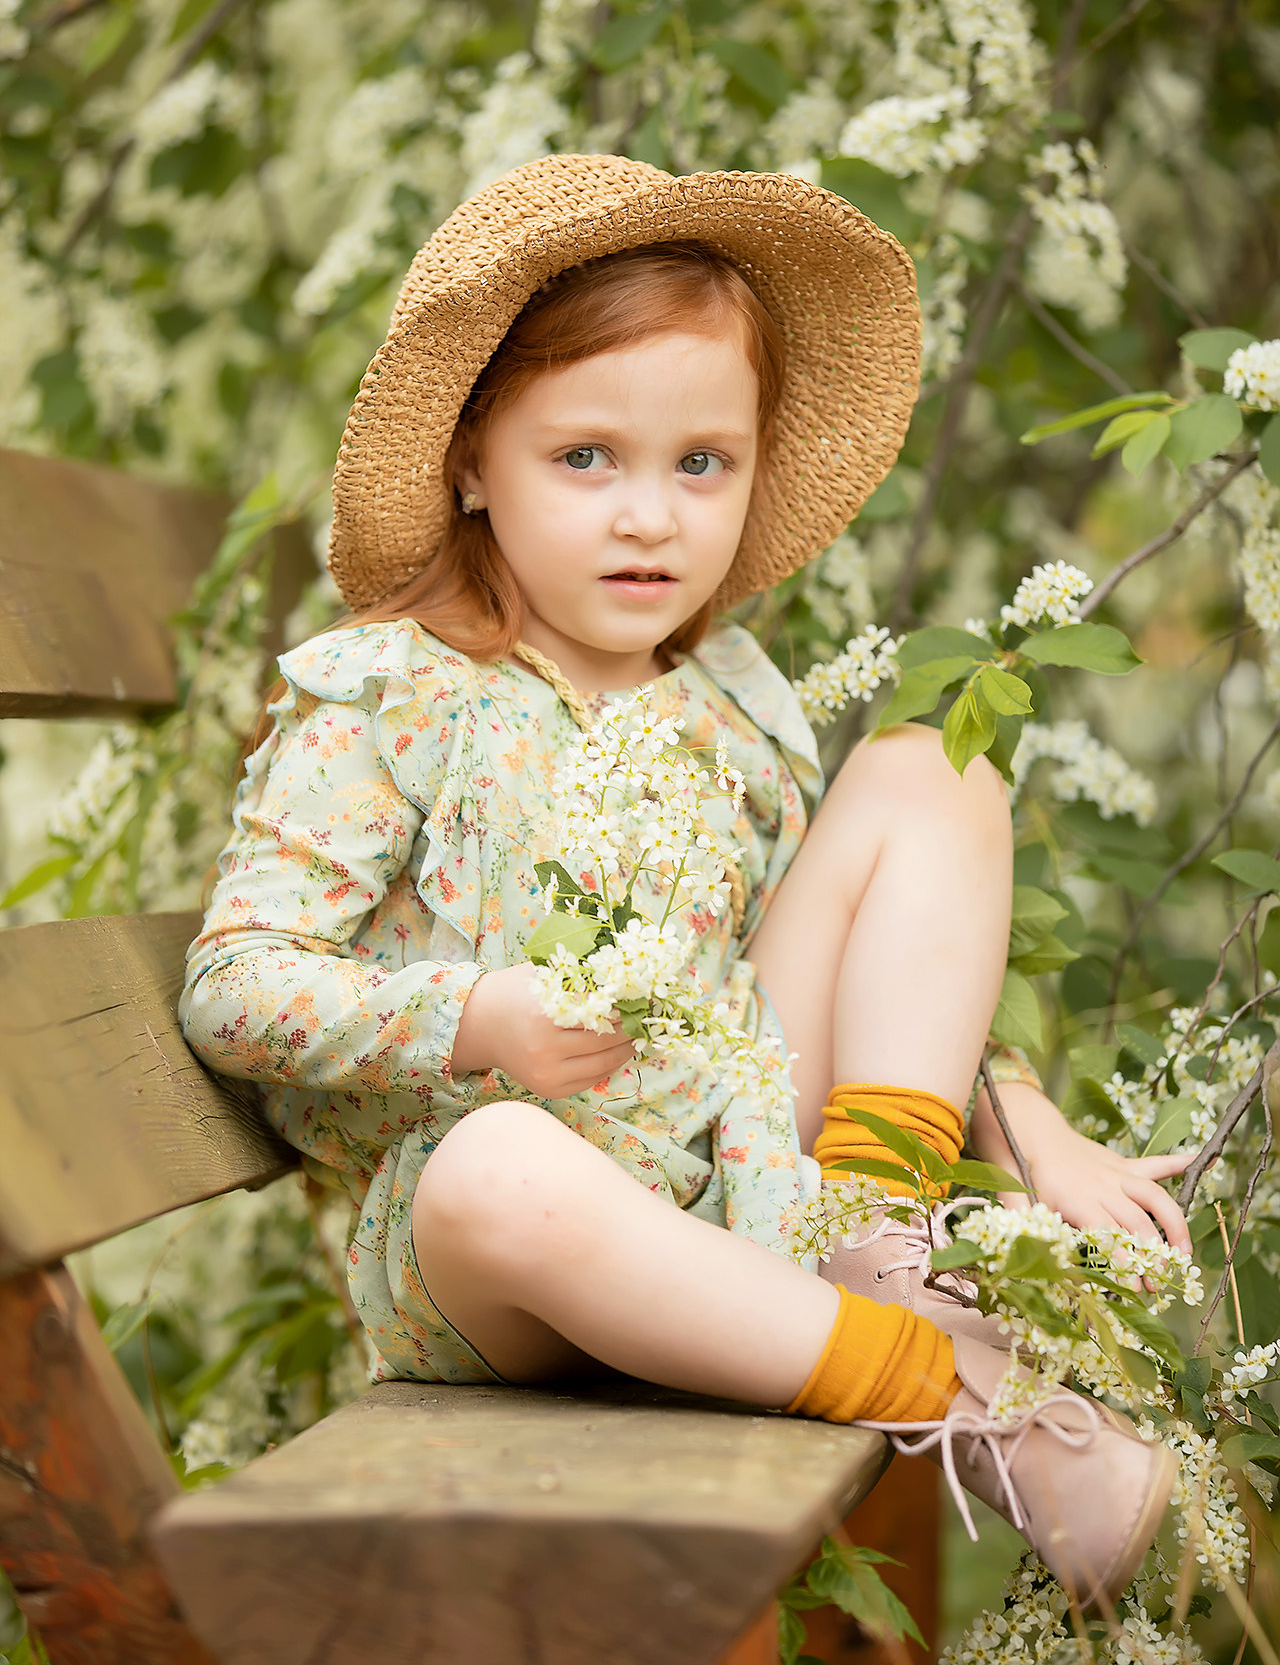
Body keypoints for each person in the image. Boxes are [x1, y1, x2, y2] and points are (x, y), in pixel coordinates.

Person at [182, 153, 1188, 1611]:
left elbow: (873, 967)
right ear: (472, 463)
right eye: (586, 458)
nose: (649, 516)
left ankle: (876, 1241)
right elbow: (234, 988)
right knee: (499, 1168)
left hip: (745, 1174)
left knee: (936, 764)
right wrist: (479, 1018)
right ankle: (949, 1390)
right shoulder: (390, 695)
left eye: (700, 463)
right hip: (522, 1256)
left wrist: (1026, 1125)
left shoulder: (733, 706)